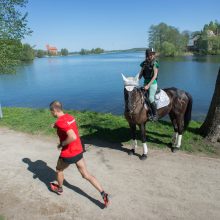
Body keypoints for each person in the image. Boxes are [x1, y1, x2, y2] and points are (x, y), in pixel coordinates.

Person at [49, 100, 109, 207]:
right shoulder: (70, 117)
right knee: (86, 175)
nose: (51, 113)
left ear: (54, 111)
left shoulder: (60, 122)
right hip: (78, 150)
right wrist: (55, 125)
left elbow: (72, 136)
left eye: (51, 111)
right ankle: (103, 193)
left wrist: (62, 144)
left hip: (68, 153)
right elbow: (65, 125)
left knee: (59, 170)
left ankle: (60, 188)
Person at [139, 48, 159, 121]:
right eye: (150, 54)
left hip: (153, 83)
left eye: (153, 54)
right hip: (145, 82)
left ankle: (155, 114)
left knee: (150, 98)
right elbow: (140, 74)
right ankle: (148, 112)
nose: (152, 55)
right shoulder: (144, 63)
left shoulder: (155, 63)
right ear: (147, 54)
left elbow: (155, 76)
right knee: (142, 97)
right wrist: (135, 80)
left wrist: (148, 85)